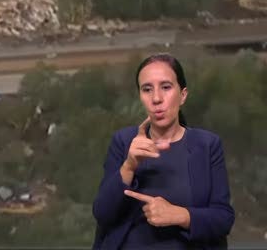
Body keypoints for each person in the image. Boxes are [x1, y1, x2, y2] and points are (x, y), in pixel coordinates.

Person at [92, 53, 234, 249]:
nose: (156, 98)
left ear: (182, 95)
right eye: (147, 89)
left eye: (166, 87)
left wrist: (180, 215)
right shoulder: (124, 142)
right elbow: (102, 214)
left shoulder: (207, 145)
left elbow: (223, 219)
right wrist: (129, 166)